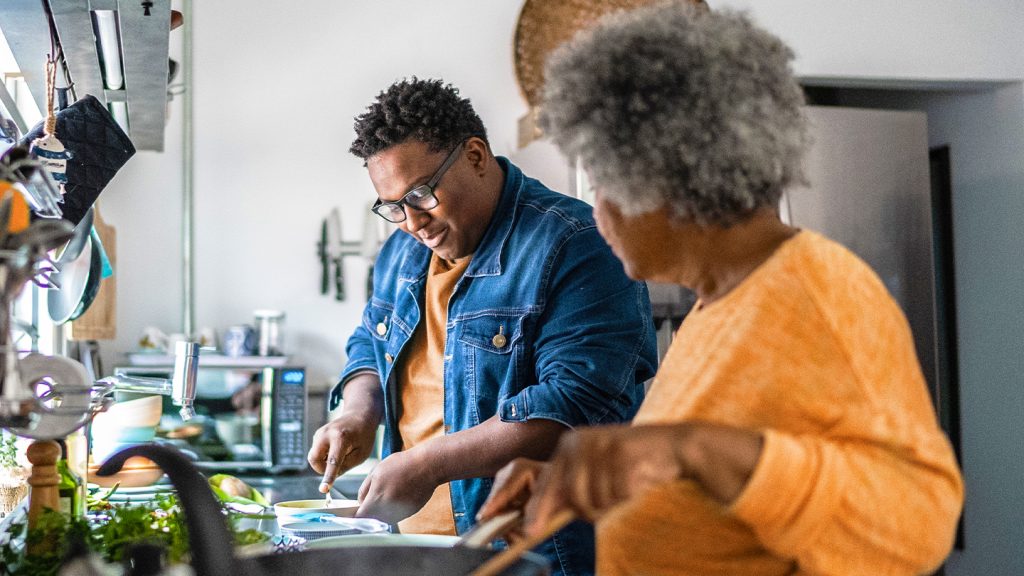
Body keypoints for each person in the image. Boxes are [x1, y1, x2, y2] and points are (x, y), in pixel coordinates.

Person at [478, 4, 965, 576]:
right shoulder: (718, 304)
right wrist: (583, 478)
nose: (597, 209)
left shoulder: (821, 294)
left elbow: (919, 527)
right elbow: (714, 483)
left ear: (668, 179)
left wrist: (689, 447)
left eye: (605, 180)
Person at [307, 77, 658, 575]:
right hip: (413, 552)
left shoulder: (577, 244)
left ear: (475, 156)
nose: (411, 221)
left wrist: (429, 463)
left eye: (422, 194)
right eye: (392, 206)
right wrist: (358, 414)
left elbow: (575, 403)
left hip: (532, 553)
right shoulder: (402, 251)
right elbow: (371, 341)